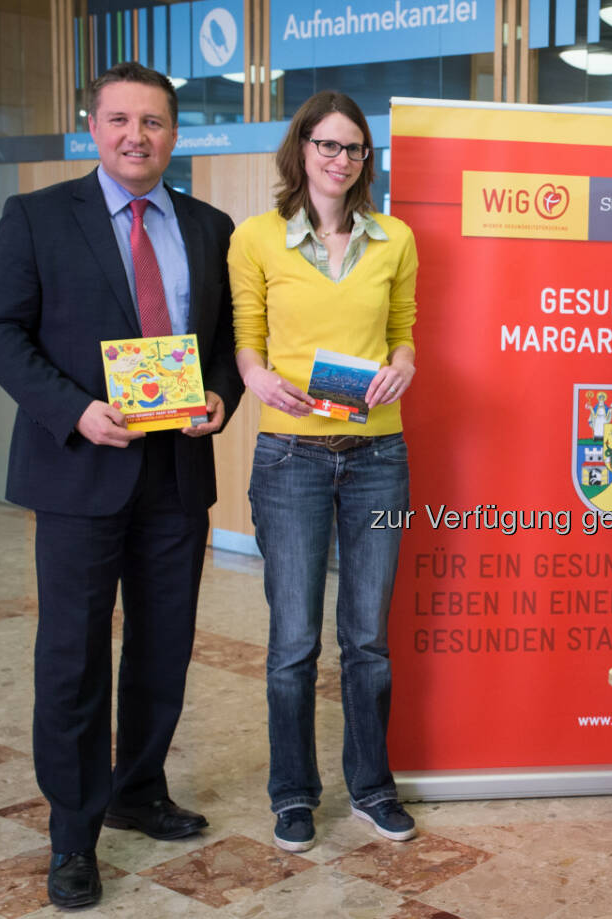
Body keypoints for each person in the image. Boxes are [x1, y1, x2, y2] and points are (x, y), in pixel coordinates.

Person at [0, 61, 241, 910]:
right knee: (73, 657)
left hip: (175, 475)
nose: (136, 136)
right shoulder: (39, 216)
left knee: (162, 648)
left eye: (153, 123)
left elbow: (227, 340)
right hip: (80, 468)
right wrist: (74, 410)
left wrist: (222, 397)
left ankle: (137, 787)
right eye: (120, 120)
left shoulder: (209, 224)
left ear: (174, 134)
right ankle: (73, 832)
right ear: (93, 126)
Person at [228, 91, 418, 853]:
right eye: (328, 145)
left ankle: (371, 786)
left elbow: (403, 332)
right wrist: (255, 376)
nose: (341, 160)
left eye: (355, 149)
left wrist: (404, 367)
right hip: (291, 456)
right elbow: (246, 337)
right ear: (301, 149)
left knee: (367, 638)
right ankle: (294, 794)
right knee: (293, 640)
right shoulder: (257, 239)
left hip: (378, 454)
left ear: (367, 160)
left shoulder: (394, 238)